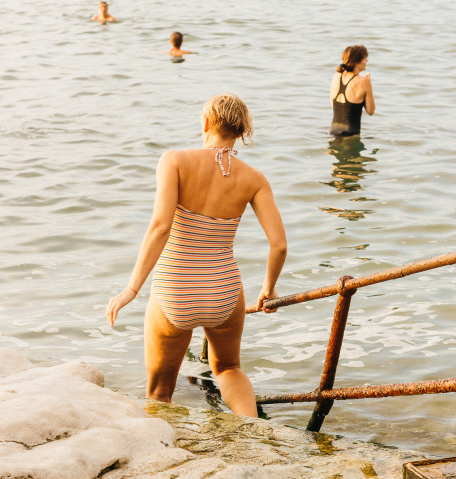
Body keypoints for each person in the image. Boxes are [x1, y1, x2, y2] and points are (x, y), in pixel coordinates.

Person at [106, 94, 287, 417]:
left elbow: (160, 227)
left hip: (176, 289)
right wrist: (268, 288)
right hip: (225, 292)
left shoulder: (174, 160)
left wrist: (131, 288)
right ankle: (254, 430)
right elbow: (279, 245)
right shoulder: (254, 179)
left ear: (205, 122)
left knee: (160, 392)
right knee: (229, 368)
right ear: (242, 132)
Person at [329, 45, 375, 136]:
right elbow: (370, 111)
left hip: (332, 132)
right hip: (351, 135)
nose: (367, 61)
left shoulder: (336, 76)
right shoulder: (365, 82)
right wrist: (368, 85)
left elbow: (333, 105)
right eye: (365, 58)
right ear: (357, 62)